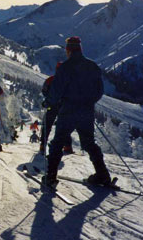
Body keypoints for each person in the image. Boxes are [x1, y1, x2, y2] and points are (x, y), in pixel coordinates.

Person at [43, 36, 110, 188]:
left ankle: (51, 177)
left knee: (58, 142)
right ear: (80, 49)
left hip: (68, 111)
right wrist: (88, 102)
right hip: (86, 111)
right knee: (89, 143)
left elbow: (56, 90)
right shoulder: (92, 66)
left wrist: (48, 103)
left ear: (68, 50)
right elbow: (100, 91)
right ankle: (103, 175)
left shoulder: (65, 68)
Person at [40, 62, 74, 155]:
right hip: (65, 107)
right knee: (64, 126)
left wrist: (47, 100)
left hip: (52, 105)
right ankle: (67, 146)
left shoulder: (50, 80)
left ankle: (43, 145)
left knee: (47, 124)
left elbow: (44, 91)